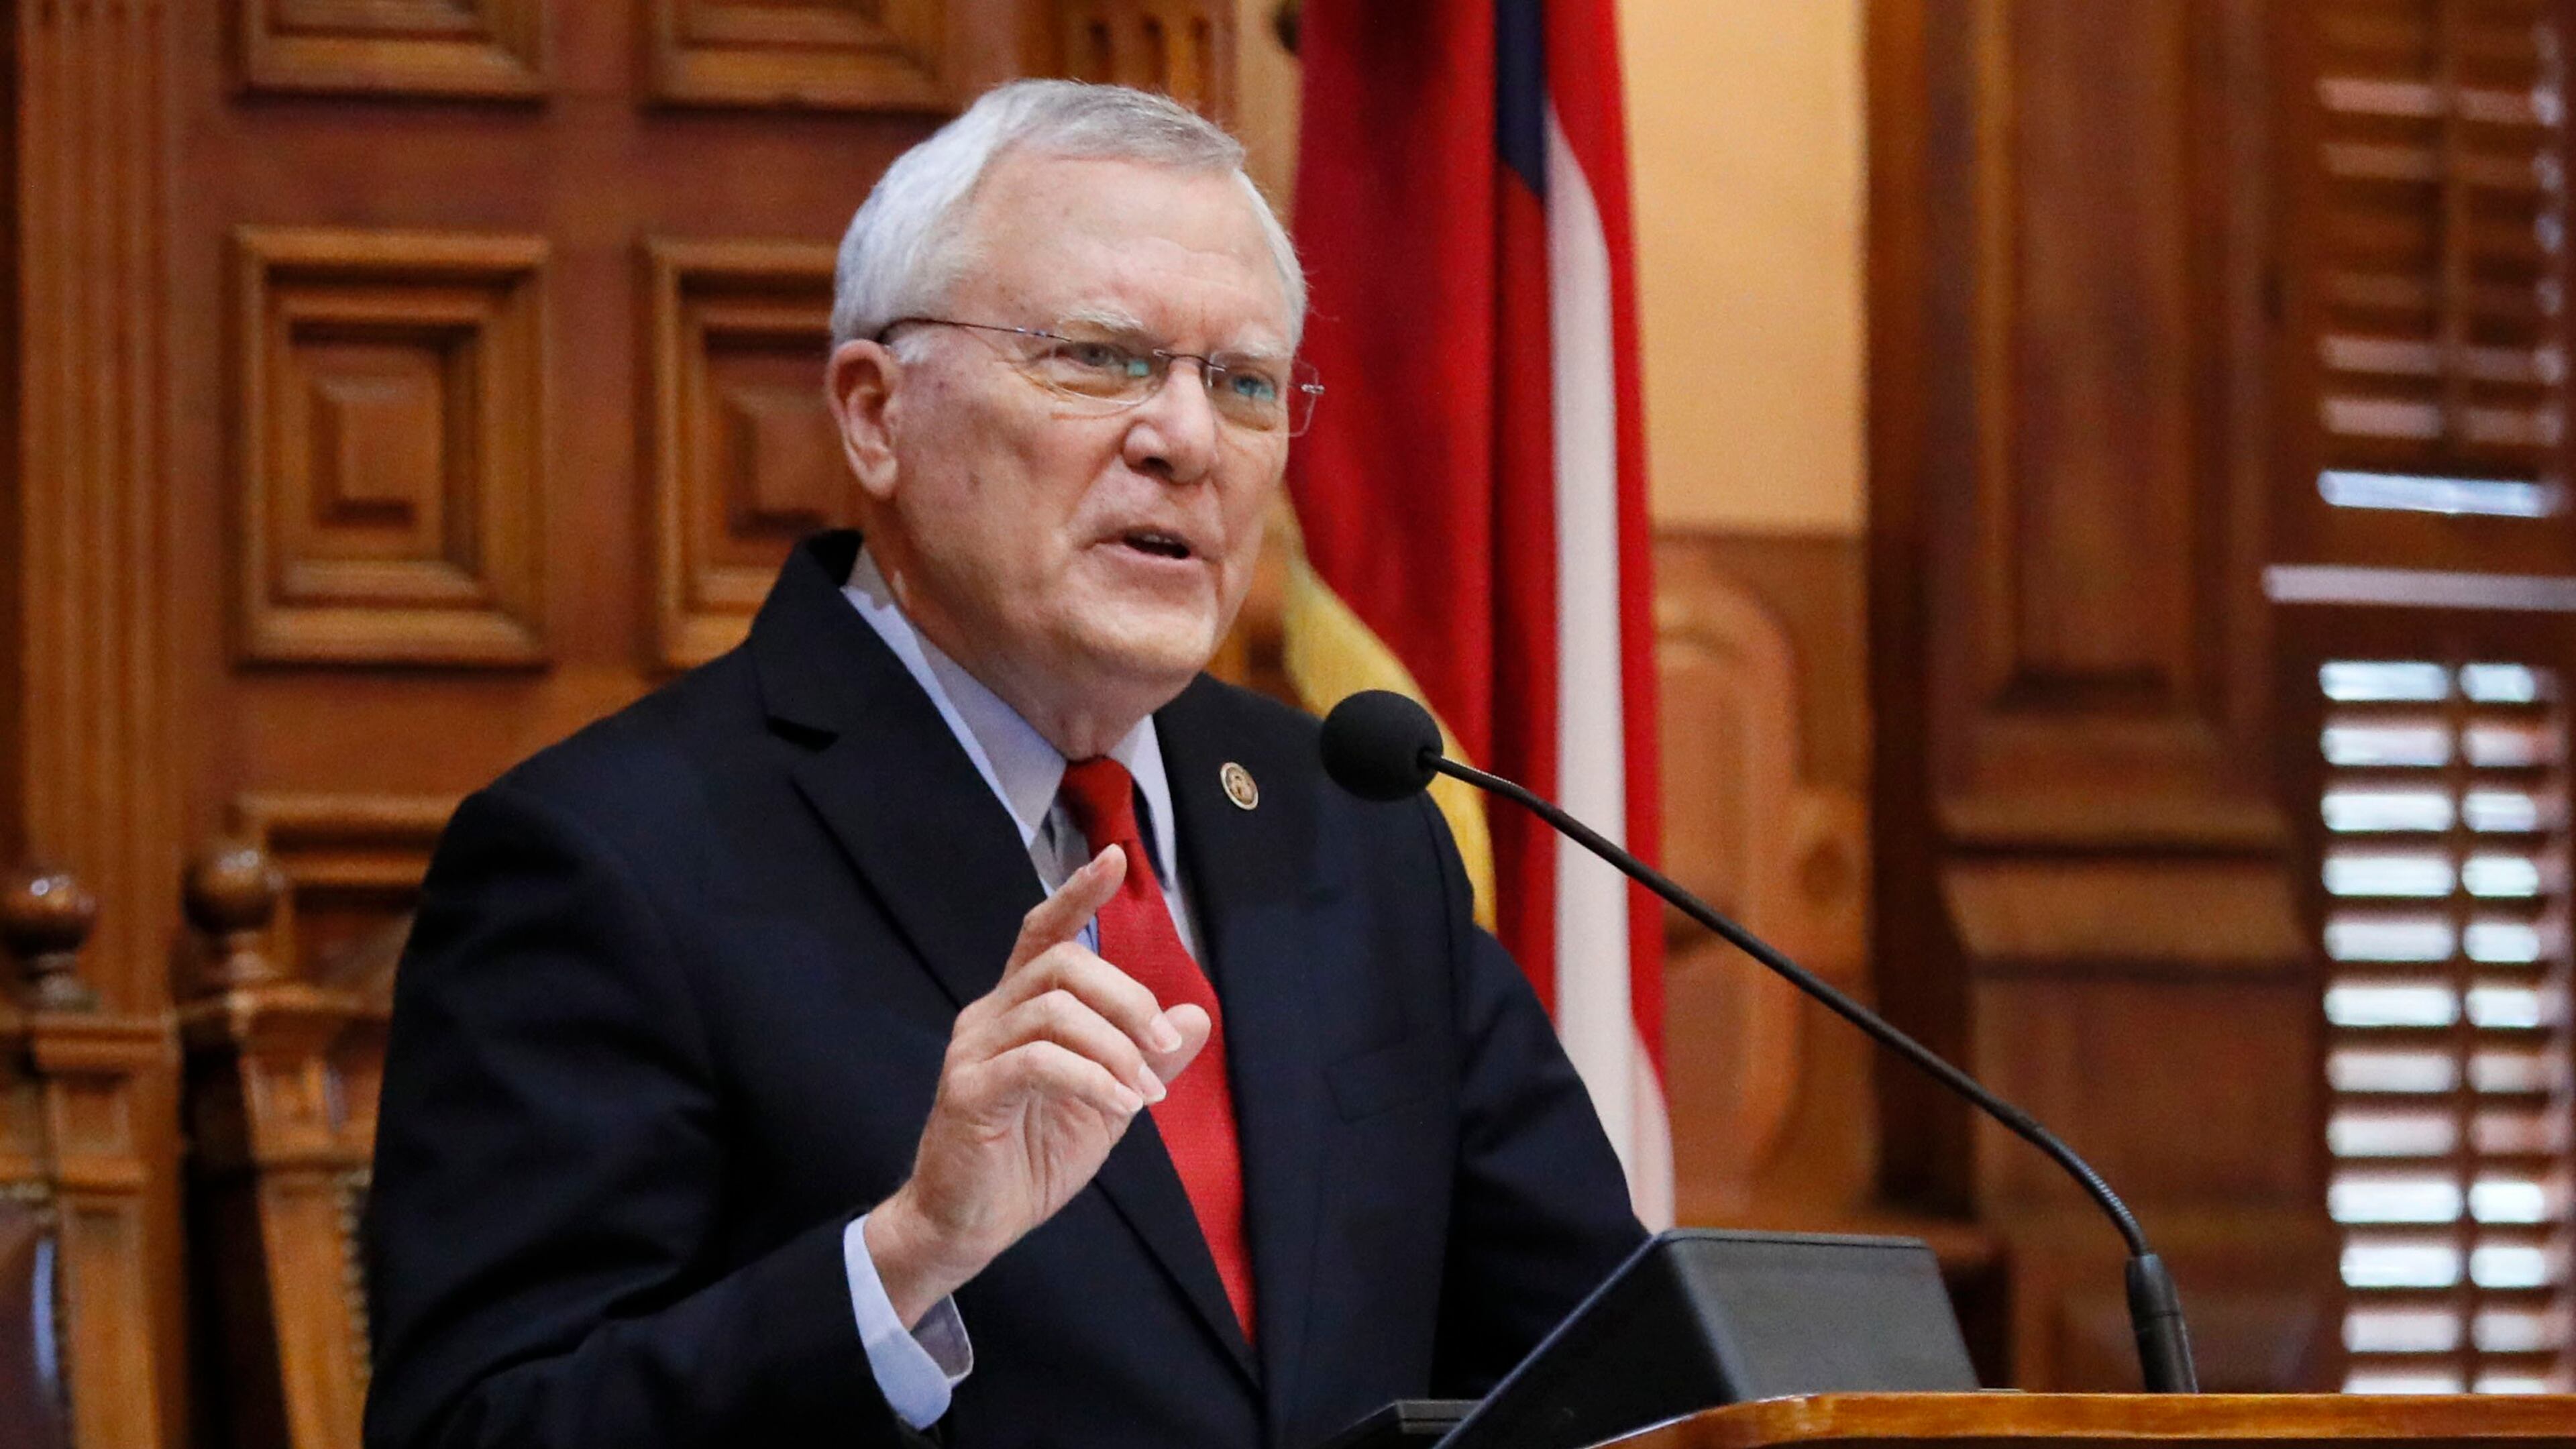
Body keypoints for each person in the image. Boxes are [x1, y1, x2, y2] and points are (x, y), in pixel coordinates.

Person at [361, 80, 1644, 1449]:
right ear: (876, 414)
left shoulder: (1354, 819)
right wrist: (903, 1260)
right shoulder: (609, 857)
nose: (1187, 440)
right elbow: (477, 1429)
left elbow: (1610, 1357)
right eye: (1099, 359)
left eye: (1245, 383)